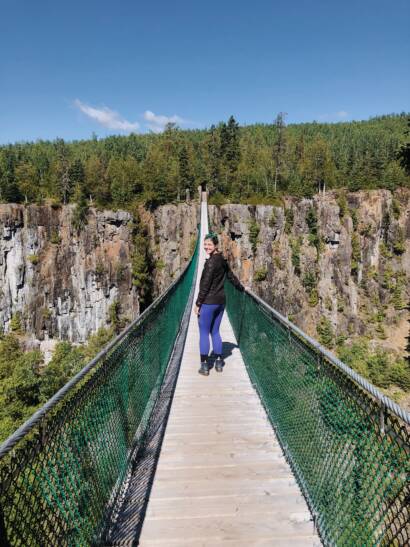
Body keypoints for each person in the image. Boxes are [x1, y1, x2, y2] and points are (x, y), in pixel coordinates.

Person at [194, 231, 244, 376]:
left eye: (209, 244)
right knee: (215, 331)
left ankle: (204, 366)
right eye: (204, 244)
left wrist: (198, 304)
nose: (206, 247)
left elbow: (205, 286)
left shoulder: (210, 263)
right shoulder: (222, 260)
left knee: (204, 333)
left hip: (208, 303)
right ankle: (218, 362)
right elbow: (231, 276)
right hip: (221, 302)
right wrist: (241, 288)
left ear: (215, 245)